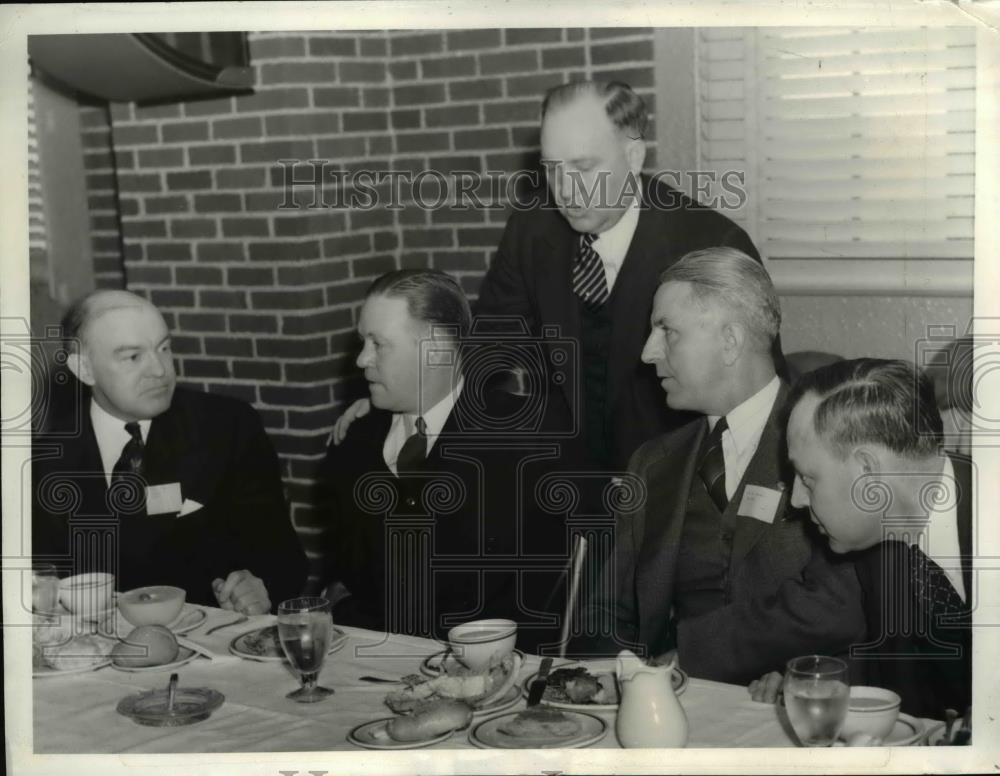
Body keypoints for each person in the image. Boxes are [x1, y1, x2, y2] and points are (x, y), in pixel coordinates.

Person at [334, 80, 770, 473]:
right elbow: (490, 349)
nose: (564, 190)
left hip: (678, 483)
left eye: (582, 167)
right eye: (552, 169)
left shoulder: (712, 242)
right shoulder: (532, 228)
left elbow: (755, 400)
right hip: (565, 477)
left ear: (634, 156)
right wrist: (405, 405)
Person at [583, 247, 865, 682]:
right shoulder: (651, 463)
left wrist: (688, 656)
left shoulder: (834, 443)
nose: (647, 352)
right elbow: (606, 613)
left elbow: (841, 605)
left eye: (666, 331)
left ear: (730, 341)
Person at [320, 270, 575, 651]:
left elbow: (548, 595)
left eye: (378, 344)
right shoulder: (354, 441)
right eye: (362, 342)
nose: (361, 359)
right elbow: (350, 581)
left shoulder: (528, 441)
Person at [32, 290, 306, 613]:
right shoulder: (46, 461)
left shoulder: (227, 428)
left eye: (164, 348)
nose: (160, 370)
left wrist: (259, 587)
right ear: (83, 368)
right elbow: (38, 583)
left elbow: (286, 561)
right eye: (133, 357)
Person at [749, 359, 972, 719]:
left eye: (807, 479)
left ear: (867, 471)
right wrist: (815, 683)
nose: (796, 500)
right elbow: (889, 666)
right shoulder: (870, 543)